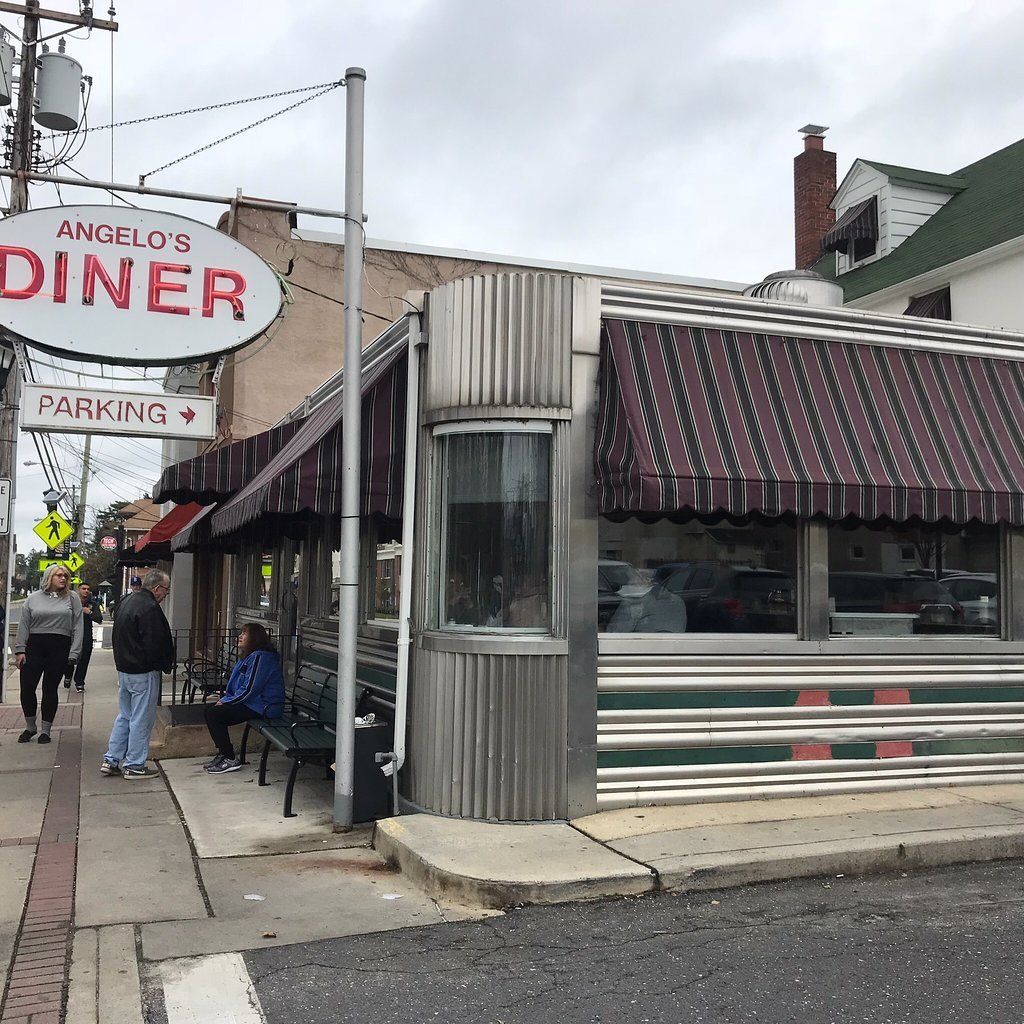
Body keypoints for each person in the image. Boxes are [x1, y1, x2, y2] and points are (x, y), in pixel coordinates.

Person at [100, 570, 174, 780]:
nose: (165, 595)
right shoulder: (149, 608)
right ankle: (134, 764)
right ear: (157, 588)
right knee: (142, 718)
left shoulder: (127, 602)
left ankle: (112, 758)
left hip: (125, 669)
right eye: (165, 591)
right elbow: (155, 642)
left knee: (125, 715)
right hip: (143, 671)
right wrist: (162, 664)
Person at [14, 565, 84, 744]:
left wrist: (74, 651)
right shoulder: (33, 598)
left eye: (65, 576)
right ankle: (30, 727)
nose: (63, 579)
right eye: (59, 575)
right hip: (34, 646)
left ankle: (46, 730)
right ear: (49, 577)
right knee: (27, 687)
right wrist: (20, 650)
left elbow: (78, 625)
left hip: (59, 647)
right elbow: (24, 625)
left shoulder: (72, 598)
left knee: (50, 688)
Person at [203, 623, 285, 774]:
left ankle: (229, 758)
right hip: (254, 704)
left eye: (245, 633)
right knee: (210, 710)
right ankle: (223, 753)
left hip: (265, 707)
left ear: (255, 638)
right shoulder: (249, 656)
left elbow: (250, 688)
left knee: (215, 714)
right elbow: (238, 685)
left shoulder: (261, 657)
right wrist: (226, 698)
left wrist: (227, 701)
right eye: (241, 633)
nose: (240, 636)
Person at [64, 582, 102, 693]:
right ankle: (68, 675)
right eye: (83, 588)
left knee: (84, 660)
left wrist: (89, 612)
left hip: (86, 636)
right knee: (68, 658)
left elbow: (99, 619)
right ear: (78, 590)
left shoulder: (93, 604)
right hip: (71, 635)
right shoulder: (70, 602)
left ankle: (79, 682)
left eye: (88, 589)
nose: (86, 591)